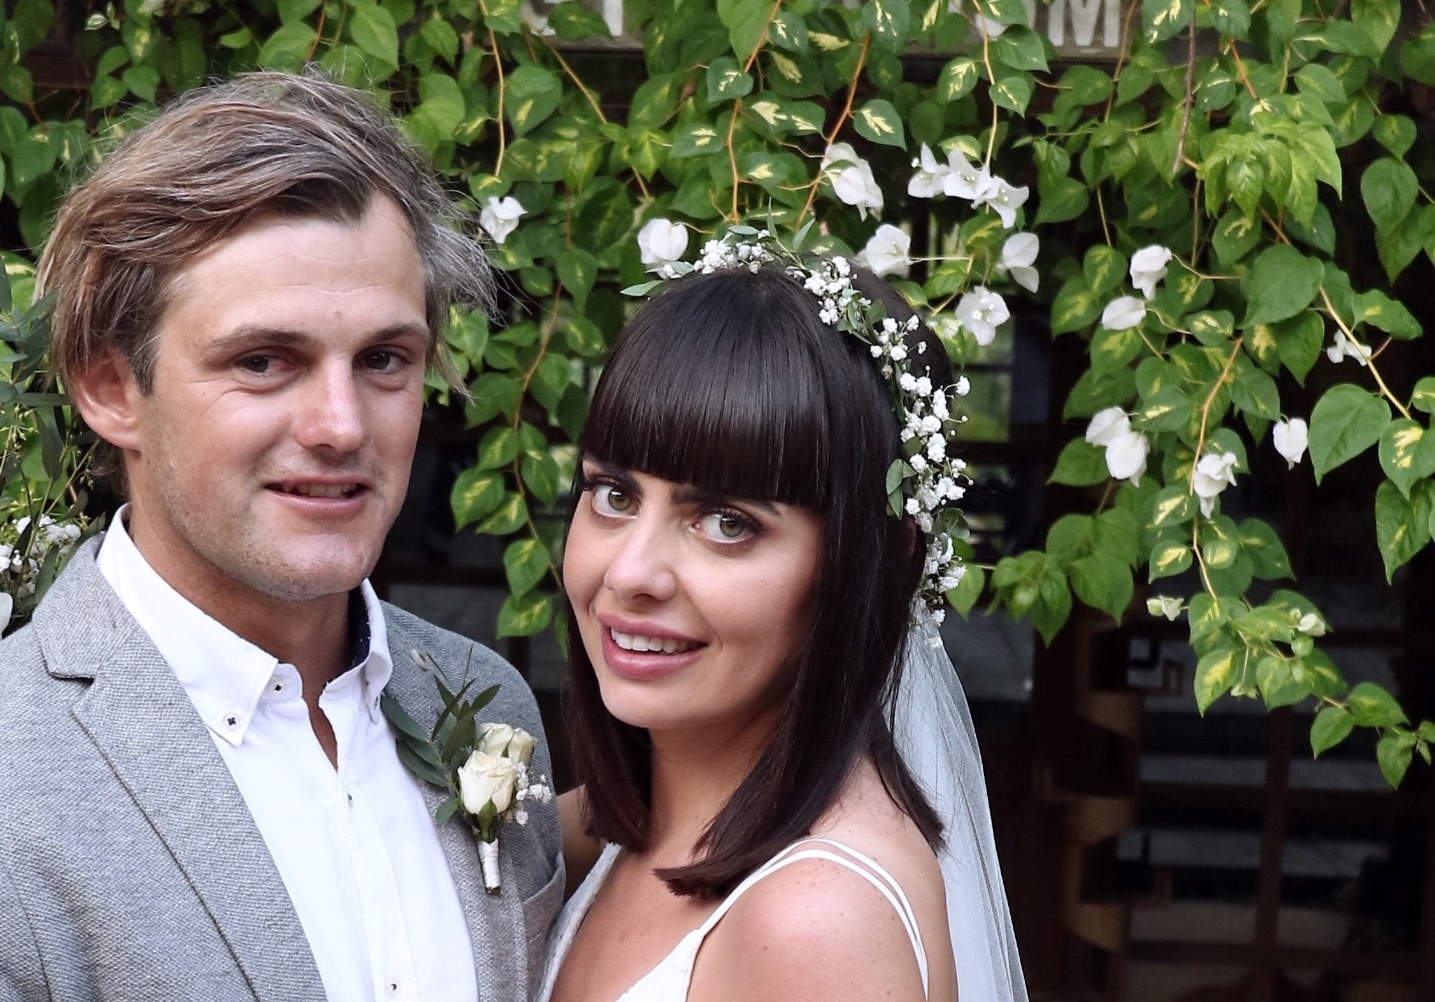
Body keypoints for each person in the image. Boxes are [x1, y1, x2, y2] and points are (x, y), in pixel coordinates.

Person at [0, 71, 562, 1001]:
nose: (342, 425)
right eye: (264, 361)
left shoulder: (484, 698)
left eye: (384, 359)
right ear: (108, 388)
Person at [540, 232, 1027, 1001]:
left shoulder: (818, 923)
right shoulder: (610, 826)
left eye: (727, 523)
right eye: (614, 495)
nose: (629, 573)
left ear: (873, 563)